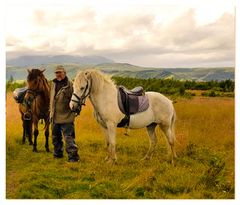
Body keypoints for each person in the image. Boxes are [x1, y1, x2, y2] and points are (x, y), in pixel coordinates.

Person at [49, 65, 79, 162]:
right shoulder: (53, 84)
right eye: (56, 72)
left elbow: (77, 100)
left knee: (69, 138)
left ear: (65, 73)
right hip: (54, 116)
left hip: (67, 116)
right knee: (55, 138)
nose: (58, 74)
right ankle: (58, 154)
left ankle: (73, 158)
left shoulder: (70, 85)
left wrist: (77, 110)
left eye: (60, 72)